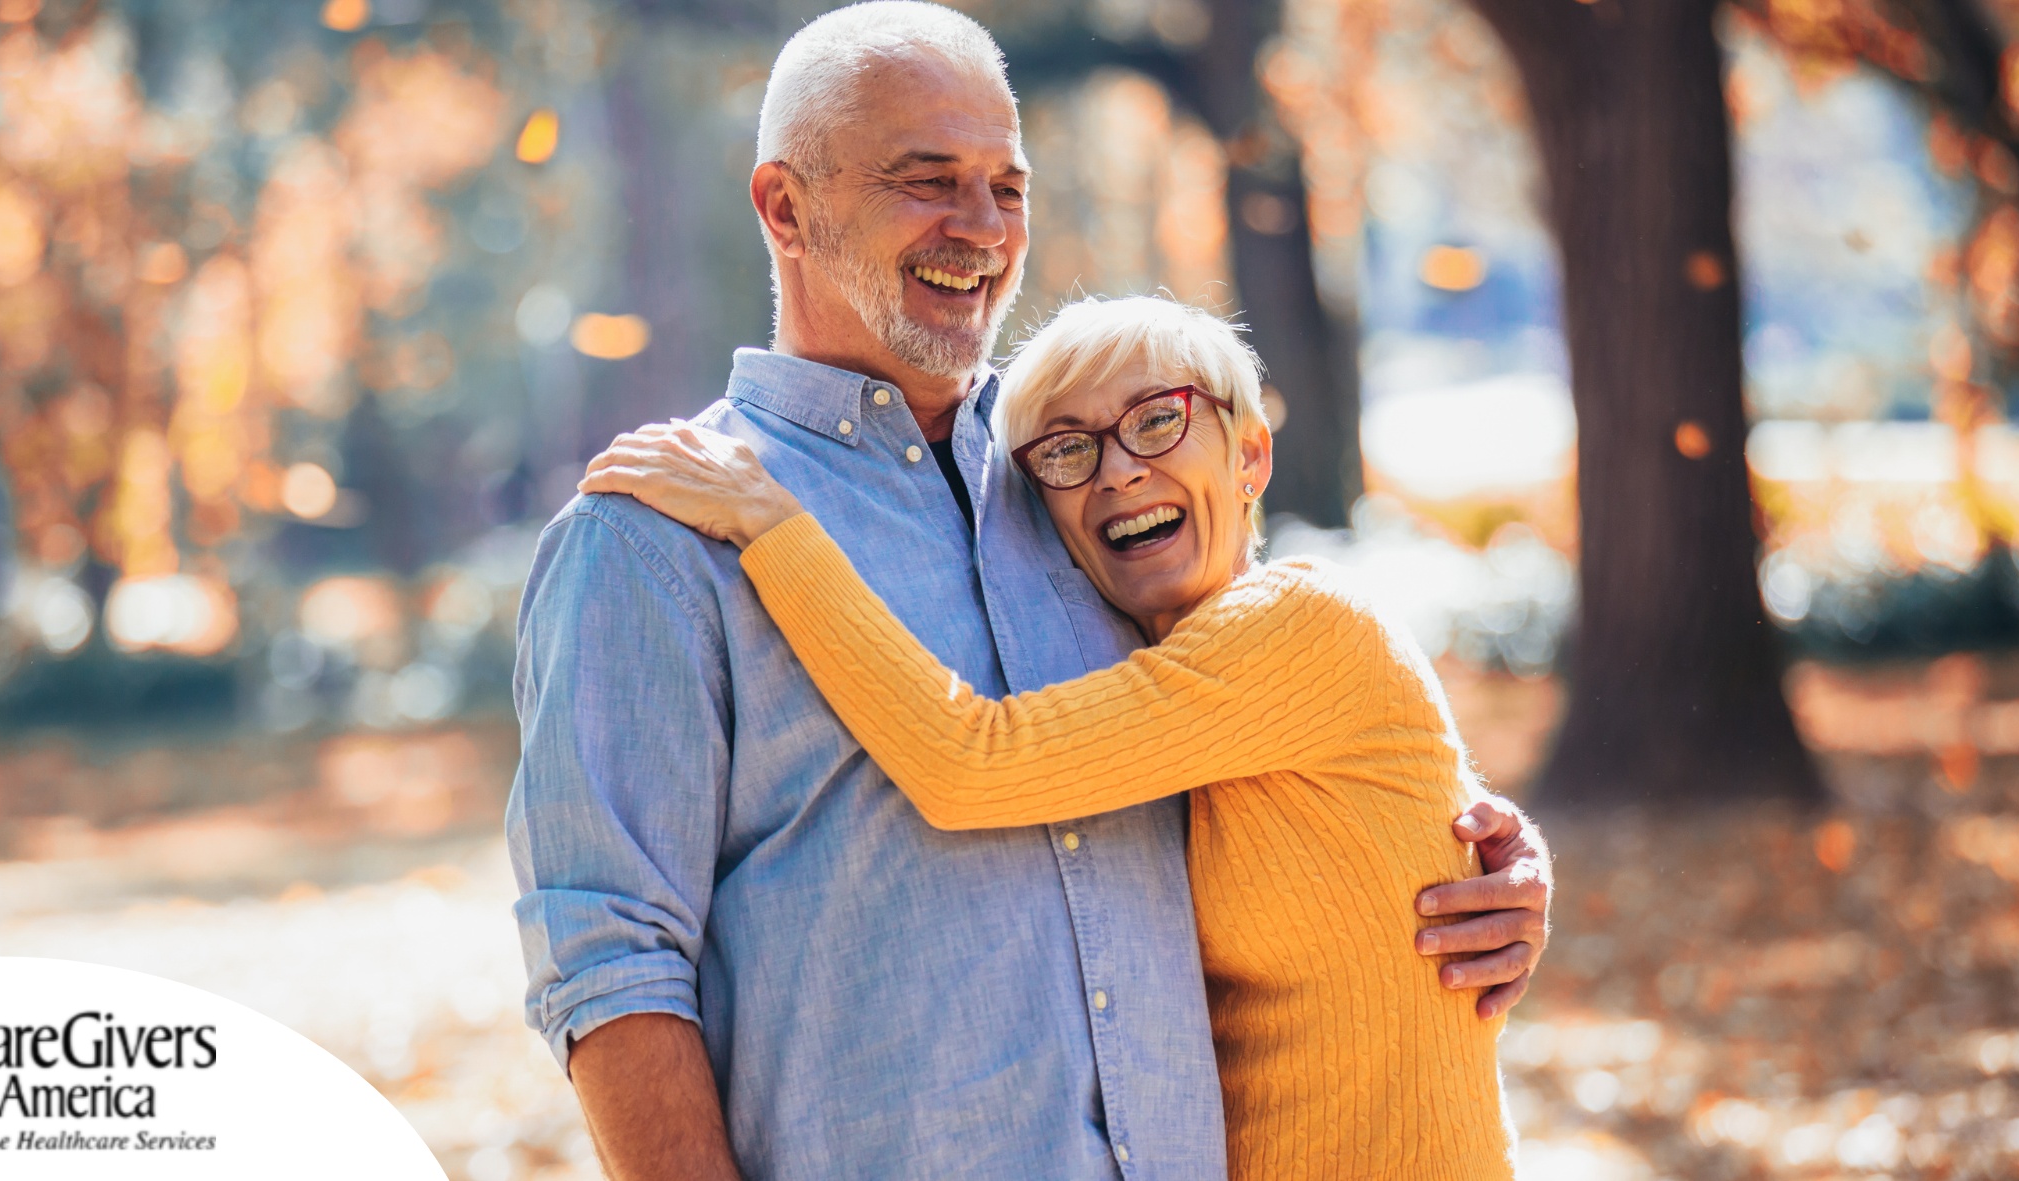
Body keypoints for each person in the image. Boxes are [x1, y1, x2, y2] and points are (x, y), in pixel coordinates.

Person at [506, 5, 1552, 1180]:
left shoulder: (1094, 491)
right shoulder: (653, 535)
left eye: (1008, 186)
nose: (982, 227)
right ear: (786, 206)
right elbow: (611, 965)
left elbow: (1281, 751)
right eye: (929, 179)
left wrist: (1481, 865)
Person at [582, 295, 1513, 1179]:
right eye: (1066, 451)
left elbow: (970, 762)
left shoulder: (1306, 622)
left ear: (1250, 455)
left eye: (1157, 421)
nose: (1116, 470)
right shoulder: (1145, 687)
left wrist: (772, 523)